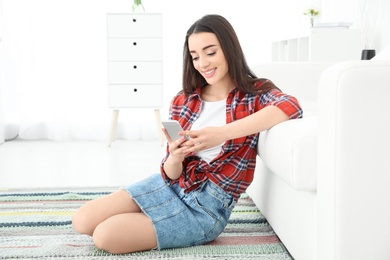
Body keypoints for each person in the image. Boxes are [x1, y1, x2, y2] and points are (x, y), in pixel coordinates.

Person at [72, 14, 302, 254]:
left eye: (210, 52)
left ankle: (152, 219)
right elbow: (171, 173)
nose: (202, 63)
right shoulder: (184, 100)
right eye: (195, 56)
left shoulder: (255, 92)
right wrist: (175, 157)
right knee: (83, 220)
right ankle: (151, 212)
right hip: (170, 185)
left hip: (204, 209)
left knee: (105, 236)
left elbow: (291, 107)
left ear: (229, 49)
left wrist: (221, 134)